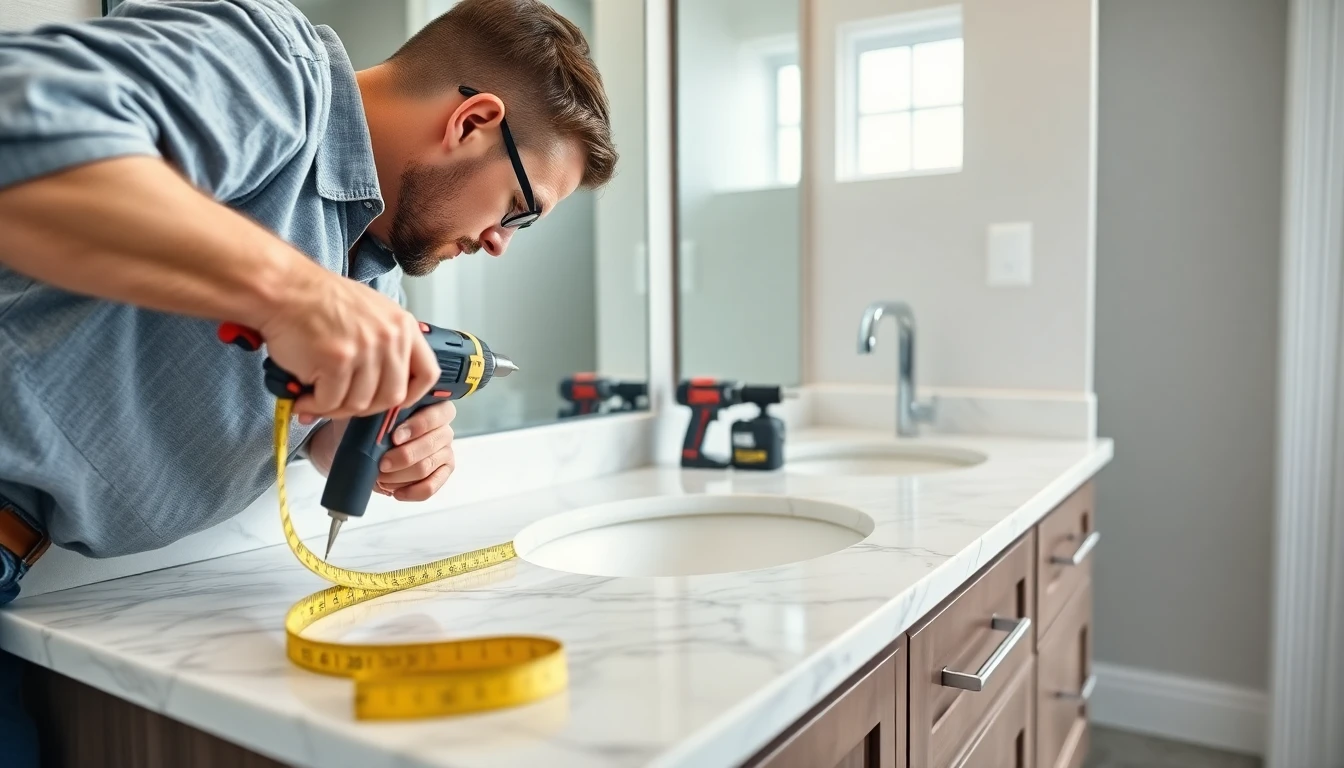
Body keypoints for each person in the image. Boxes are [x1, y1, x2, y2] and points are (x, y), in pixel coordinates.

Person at [0, 0, 617, 762]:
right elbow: (18, 125)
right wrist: (292, 292)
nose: (498, 244)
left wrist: (360, 444)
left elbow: (283, 410)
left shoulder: (370, 265)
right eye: (519, 211)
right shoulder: (274, 67)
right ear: (473, 122)